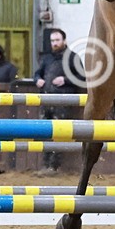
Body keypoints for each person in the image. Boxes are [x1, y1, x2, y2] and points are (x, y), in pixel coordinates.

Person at [32, 29, 85, 171]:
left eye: (57, 40)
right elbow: (37, 73)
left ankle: (54, 166)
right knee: (45, 132)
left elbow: (82, 77)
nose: (54, 43)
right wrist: (38, 80)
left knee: (59, 133)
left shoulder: (73, 58)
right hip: (46, 100)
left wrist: (65, 80)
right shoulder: (47, 58)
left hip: (63, 101)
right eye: (52, 41)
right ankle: (46, 164)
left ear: (64, 41)